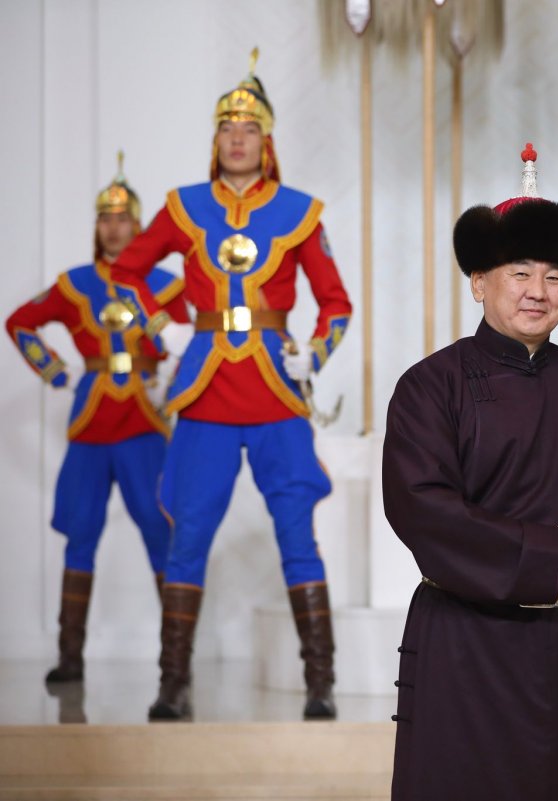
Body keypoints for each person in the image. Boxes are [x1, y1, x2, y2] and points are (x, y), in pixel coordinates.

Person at [381, 144, 558, 801]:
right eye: (519, 272)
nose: (537, 291)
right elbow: (423, 511)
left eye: (554, 277)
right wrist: (551, 552)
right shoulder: (430, 386)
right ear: (479, 282)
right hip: (463, 642)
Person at [108, 50, 353, 720]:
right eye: (226, 129)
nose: (236, 139)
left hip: (276, 389)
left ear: (266, 142)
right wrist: (159, 326)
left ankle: (321, 682)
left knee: (296, 533)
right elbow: (125, 274)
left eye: (248, 129)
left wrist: (315, 354)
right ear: (214, 140)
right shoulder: (183, 206)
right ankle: (173, 682)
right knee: (187, 534)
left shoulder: (300, 211)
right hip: (205, 391)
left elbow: (336, 303)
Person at [5, 153, 185, 685]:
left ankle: (175, 665)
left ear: (139, 225)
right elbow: (20, 323)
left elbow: (197, 341)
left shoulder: (164, 284)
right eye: (106, 218)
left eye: (123, 218)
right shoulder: (75, 283)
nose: (114, 227)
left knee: (159, 530)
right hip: (89, 426)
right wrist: (55, 371)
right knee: (80, 532)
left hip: (144, 424)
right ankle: (70, 658)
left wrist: (173, 387)